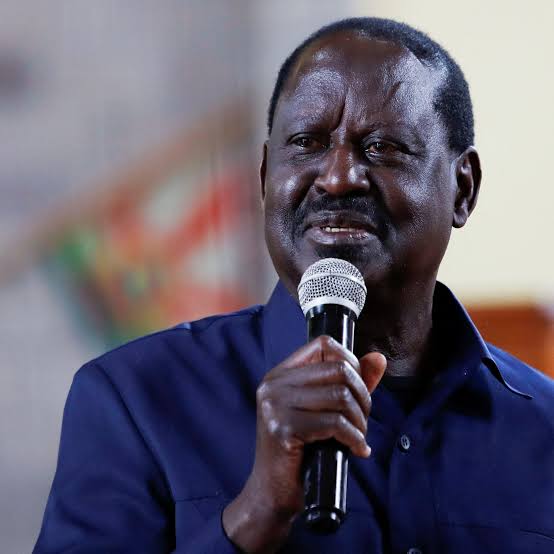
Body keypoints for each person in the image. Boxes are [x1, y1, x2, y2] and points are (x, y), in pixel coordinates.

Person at [34, 17, 554, 554]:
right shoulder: (134, 401)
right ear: (265, 178)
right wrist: (256, 513)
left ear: (463, 189)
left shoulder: (544, 429)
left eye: (383, 147)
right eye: (306, 143)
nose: (338, 177)